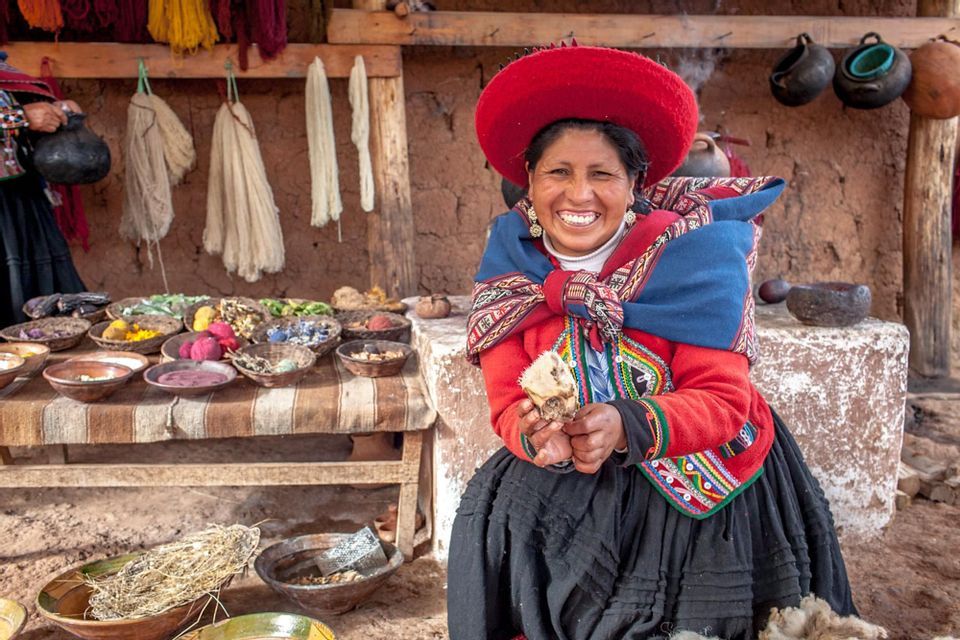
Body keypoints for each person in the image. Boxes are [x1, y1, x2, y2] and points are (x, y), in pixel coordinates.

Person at [448, 44, 856, 640]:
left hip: (700, 470)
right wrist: (533, 433)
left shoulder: (694, 256)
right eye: (558, 172)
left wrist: (625, 423)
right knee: (494, 517)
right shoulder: (511, 261)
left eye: (602, 174)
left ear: (636, 181)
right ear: (528, 183)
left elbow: (722, 401)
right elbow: (507, 394)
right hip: (578, 466)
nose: (578, 195)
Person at [0, 52, 85, 328]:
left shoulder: (6, 74)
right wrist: (20, 117)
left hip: (22, 201)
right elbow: (17, 119)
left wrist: (57, 111)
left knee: (41, 307)